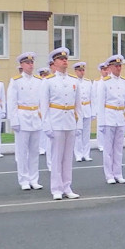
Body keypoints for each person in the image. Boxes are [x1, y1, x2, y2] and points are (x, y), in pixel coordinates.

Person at [41, 47, 81, 200]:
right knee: (56, 157)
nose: (64, 61)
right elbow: (44, 106)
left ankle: (67, 186)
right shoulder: (48, 81)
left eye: (66, 59)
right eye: (61, 59)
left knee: (67, 157)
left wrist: (79, 125)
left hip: (70, 121)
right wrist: (47, 125)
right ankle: (56, 188)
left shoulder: (74, 81)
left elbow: (78, 106)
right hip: (56, 121)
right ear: (54, 63)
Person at [7, 52, 44, 191]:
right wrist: (14, 120)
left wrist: (43, 118)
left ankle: (34, 179)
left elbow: (42, 101)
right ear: (22, 65)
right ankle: (23, 179)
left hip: (36, 117)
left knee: (34, 151)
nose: (30, 65)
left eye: (32, 63)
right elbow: (12, 102)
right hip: (22, 118)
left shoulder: (39, 81)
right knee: (22, 152)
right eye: (27, 63)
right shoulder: (16, 81)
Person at [98, 55, 125, 184]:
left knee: (118, 148)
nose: (118, 68)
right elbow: (100, 104)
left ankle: (118, 173)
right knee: (108, 149)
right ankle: (109, 175)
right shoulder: (104, 82)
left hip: (120, 117)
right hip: (109, 117)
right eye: (116, 66)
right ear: (110, 68)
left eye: (120, 66)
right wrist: (101, 123)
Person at [73, 62, 94, 162]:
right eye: (79, 70)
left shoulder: (88, 82)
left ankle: (86, 154)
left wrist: (93, 112)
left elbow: (92, 98)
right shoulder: (73, 81)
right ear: (76, 71)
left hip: (87, 109)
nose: (82, 72)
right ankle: (78, 154)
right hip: (78, 110)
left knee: (86, 134)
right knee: (78, 133)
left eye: (83, 70)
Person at [94, 62, 109, 152]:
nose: (106, 71)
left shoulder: (110, 81)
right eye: (104, 70)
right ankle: (100, 144)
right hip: (99, 107)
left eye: (107, 69)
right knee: (100, 127)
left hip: (109, 108)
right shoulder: (97, 82)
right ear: (101, 71)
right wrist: (96, 109)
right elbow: (94, 96)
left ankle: (106, 144)